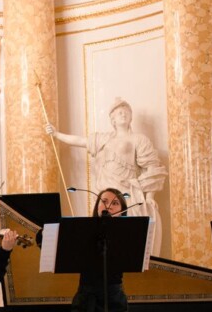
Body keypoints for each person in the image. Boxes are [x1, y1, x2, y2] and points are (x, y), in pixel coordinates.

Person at [46, 98, 166, 232]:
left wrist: (150, 197)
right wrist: (56, 134)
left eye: (126, 112)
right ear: (113, 119)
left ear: (131, 117)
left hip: (127, 194)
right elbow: (81, 141)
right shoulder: (104, 139)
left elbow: (152, 167)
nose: (123, 114)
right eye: (120, 112)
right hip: (105, 192)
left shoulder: (139, 139)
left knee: (128, 232)